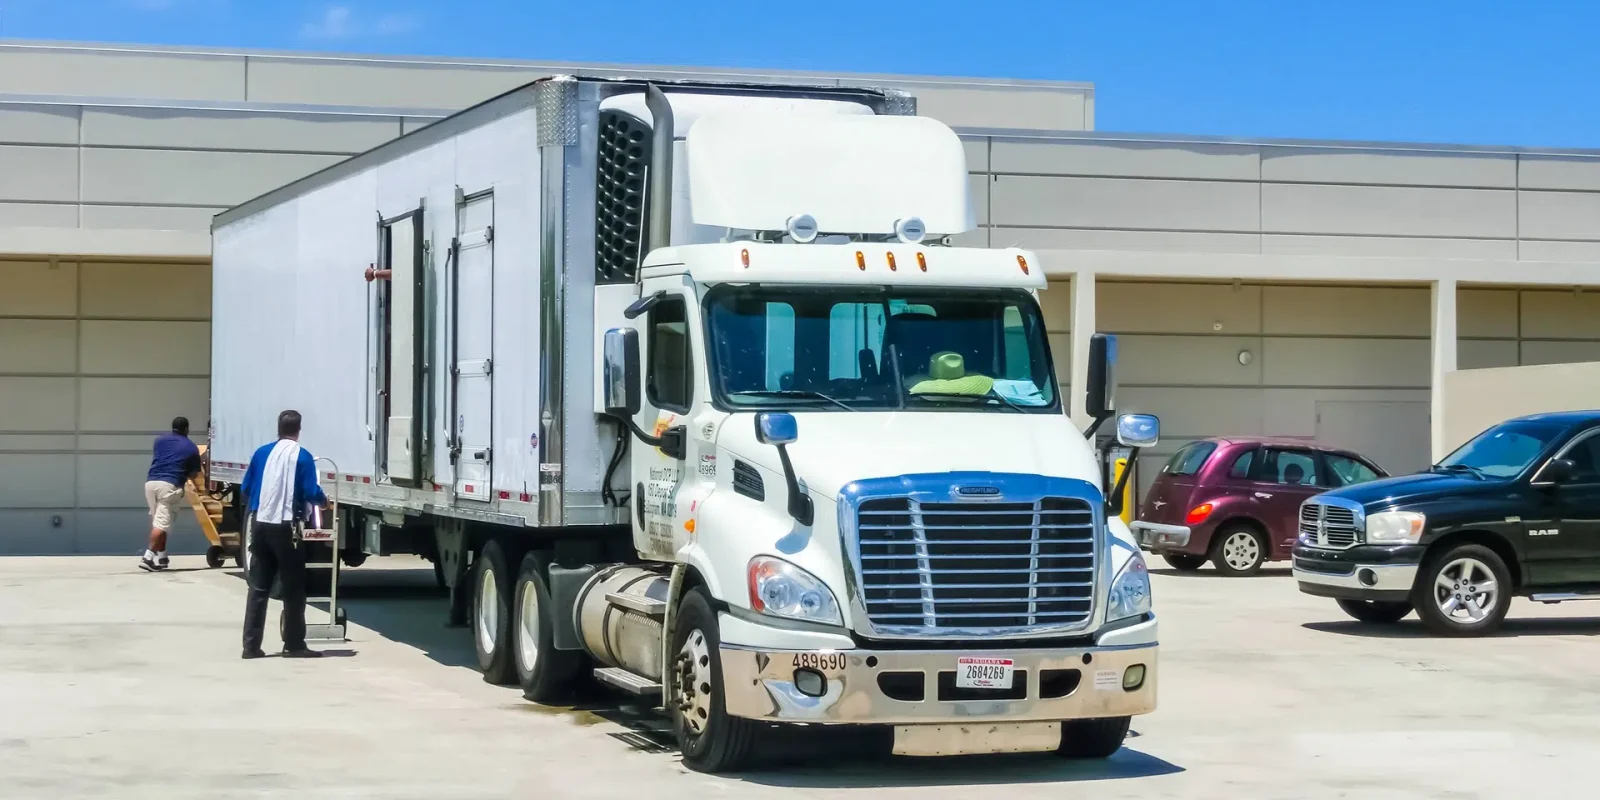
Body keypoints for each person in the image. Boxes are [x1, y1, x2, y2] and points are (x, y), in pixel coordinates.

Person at [239, 410, 329, 660]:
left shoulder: (261, 453)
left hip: (259, 524)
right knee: (293, 587)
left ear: (278, 428)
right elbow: (311, 491)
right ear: (299, 429)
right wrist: (324, 502)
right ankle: (293, 644)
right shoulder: (303, 456)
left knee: (258, 587)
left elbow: (246, 488)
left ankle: (250, 646)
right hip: (286, 527)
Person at [142, 417, 202, 572]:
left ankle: (162, 556)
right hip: (169, 486)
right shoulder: (191, 447)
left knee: (159, 522)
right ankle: (148, 557)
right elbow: (194, 474)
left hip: (151, 483)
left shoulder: (159, 441)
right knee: (161, 524)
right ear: (187, 429)